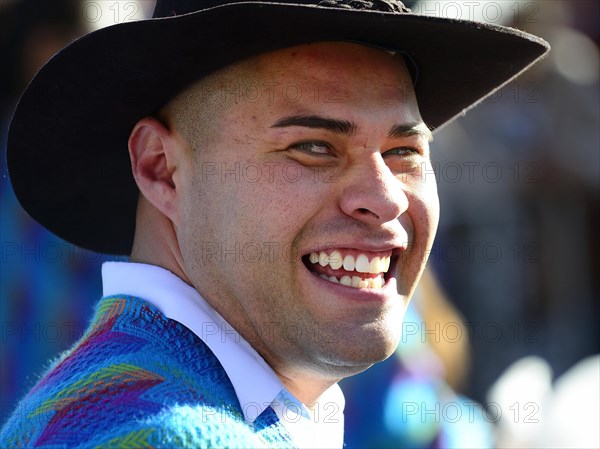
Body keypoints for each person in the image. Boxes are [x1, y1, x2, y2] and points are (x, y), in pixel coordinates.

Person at [0, 0, 548, 447]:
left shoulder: (125, 404)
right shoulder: (172, 437)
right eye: (313, 147)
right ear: (161, 169)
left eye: (405, 151)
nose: (385, 199)